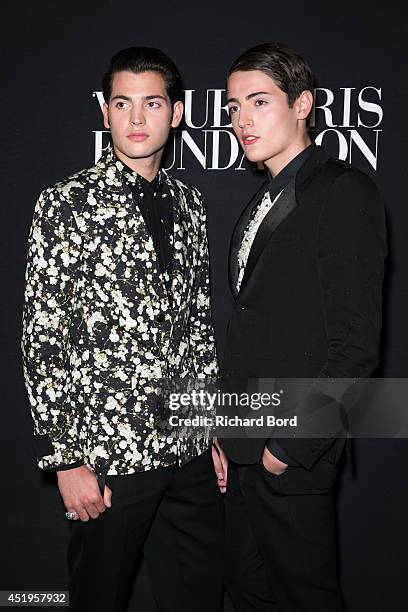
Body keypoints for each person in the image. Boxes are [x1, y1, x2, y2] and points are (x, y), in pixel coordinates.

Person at [21, 46, 224, 612]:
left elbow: (199, 329)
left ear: (176, 113)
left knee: (199, 598)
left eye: (152, 103)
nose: (137, 119)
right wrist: (66, 457)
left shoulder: (191, 205)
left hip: (187, 454)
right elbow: (43, 336)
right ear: (106, 113)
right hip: (110, 460)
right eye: (123, 104)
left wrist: (207, 430)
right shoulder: (65, 204)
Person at [218, 42, 387, 611]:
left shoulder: (342, 191)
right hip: (245, 446)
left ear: (302, 104)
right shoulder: (259, 198)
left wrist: (291, 445)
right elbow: (252, 328)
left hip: (290, 454)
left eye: (259, 102)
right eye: (235, 106)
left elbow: (356, 345)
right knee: (247, 593)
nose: (242, 119)